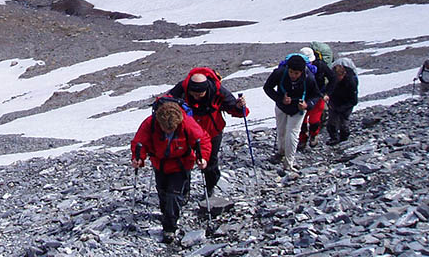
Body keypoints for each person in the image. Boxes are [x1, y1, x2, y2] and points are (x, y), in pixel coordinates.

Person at [131, 100, 211, 244]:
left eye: (171, 129)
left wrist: (203, 157)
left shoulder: (187, 123)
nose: (168, 131)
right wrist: (139, 158)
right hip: (160, 164)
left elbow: (202, 140)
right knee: (162, 192)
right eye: (165, 129)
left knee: (173, 195)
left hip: (181, 164)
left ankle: (169, 228)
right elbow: (139, 143)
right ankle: (169, 211)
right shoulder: (150, 124)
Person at [168, 67, 248, 197]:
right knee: (185, 160)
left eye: (199, 94)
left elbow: (235, 108)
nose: (196, 97)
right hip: (188, 132)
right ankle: (184, 191)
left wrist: (239, 107)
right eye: (193, 94)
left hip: (212, 132)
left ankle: (210, 187)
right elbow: (168, 101)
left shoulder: (218, 90)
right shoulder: (183, 87)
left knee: (210, 162)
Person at [263, 54, 321, 174]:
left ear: (301, 72)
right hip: (282, 106)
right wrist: (280, 99)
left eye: (296, 73)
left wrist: (307, 105)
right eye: (291, 72)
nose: (293, 75)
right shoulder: (279, 73)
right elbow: (267, 87)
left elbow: (316, 95)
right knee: (281, 131)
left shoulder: (309, 78)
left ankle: (289, 162)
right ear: (287, 69)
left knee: (293, 134)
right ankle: (281, 152)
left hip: (298, 109)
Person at [297, 47, 334, 150]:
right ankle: (302, 139)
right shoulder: (297, 67)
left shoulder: (321, 65)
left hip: (318, 95)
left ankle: (313, 135)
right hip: (303, 96)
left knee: (314, 119)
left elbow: (332, 78)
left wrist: (327, 93)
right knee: (302, 120)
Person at [324, 58, 359, 144]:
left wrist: (342, 108)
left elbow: (354, 100)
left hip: (347, 103)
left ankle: (344, 138)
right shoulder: (332, 80)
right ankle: (334, 138)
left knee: (344, 122)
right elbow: (329, 89)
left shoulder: (351, 81)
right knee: (331, 122)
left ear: (343, 74)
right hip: (334, 101)